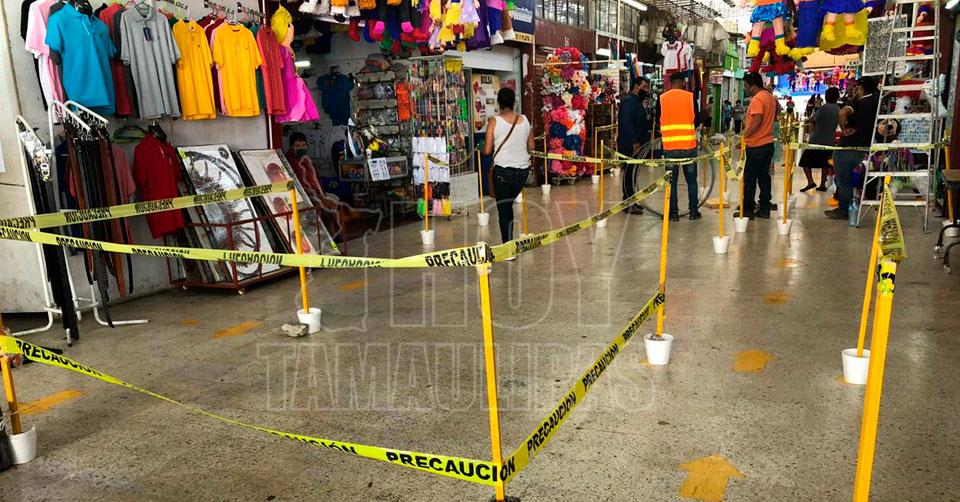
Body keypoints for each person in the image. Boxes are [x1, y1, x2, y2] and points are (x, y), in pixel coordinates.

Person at [483, 87, 534, 245]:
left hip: (502, 172)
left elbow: (487, 150)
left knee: (504, 210)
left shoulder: (494, 122)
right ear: (513, 102)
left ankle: (508, 247)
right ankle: (509, 244)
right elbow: (531, 147)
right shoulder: (525, 120)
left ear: (499, 103)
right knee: (508, 206)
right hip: (522, 173)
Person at [825, 76, 879, 220]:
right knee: (852, 180)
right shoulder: (876, 103)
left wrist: (843, 129)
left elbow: (842, 113)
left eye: (856, 87)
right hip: (864, 147)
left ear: (861, 88)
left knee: (844, 181)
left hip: (848, 146)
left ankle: (844, 210)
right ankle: (848, 207)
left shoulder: (858, 103)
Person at [658, 72, 701, 221]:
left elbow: (659, 120)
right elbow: (697, 120)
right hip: (689, 146)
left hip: (670, 147)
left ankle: (673, 214)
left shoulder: (662, 98)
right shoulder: (690, 97)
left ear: (670, 83)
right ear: (683, 82)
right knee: (691, 181)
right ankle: (693, 212)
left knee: (671, 182)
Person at [740, 72, 777, 219]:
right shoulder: (769, 97)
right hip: (768, 143)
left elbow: (757, 120)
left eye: (745, 86)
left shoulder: (757, 99)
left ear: (753, 85)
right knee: (764, 177)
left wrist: (745, 136)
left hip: (756, 145)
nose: (744, 88)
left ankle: (748, 210)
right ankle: (764, 208)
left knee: (750, 179)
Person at [618, 77, 650, 214]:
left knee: (633, 174)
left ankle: (632, 201)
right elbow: (627, 124)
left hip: (637, 145)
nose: (646, 90)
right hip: (629, 145)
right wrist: (634, 142)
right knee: (629, 174)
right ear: (636, 87)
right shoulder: (628, 102)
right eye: (644, 87)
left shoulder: (637, 102)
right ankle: (628, 203)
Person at [798, 87, 840, 192]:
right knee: (824, 163)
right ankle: (822, 184)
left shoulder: (823, 108)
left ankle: (810, 181)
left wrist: (810, 120)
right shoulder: (838, 109)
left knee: (805, 161)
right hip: (829, 139)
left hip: (816, 139)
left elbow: (813, 119)